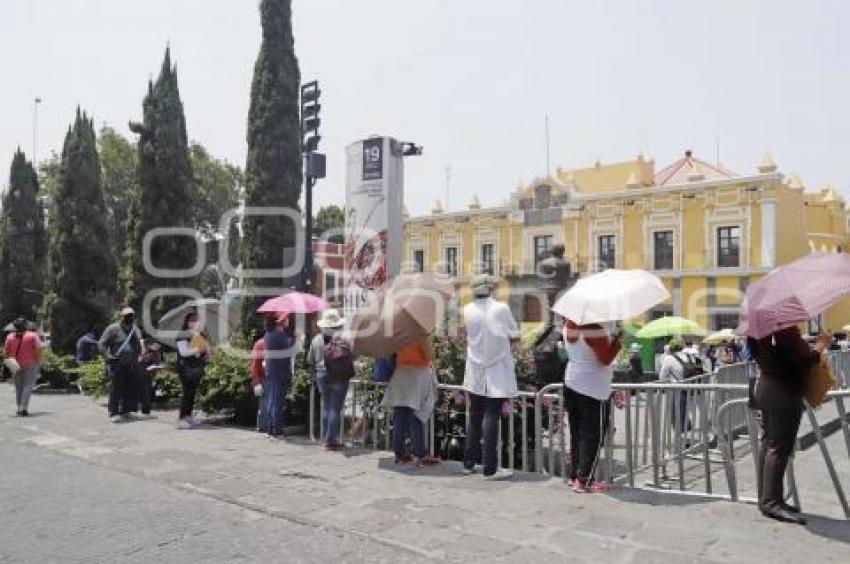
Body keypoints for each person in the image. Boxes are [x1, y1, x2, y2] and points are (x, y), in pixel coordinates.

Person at [748, 326, 829, 525]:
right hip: (783, 392)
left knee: (768, 444)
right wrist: (820, 346)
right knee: (777, 447)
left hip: (766, 387)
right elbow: (803, 361)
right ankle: (771, 502)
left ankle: (767, 499)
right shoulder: (783, 327)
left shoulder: (758, 328)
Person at [462, 274, 519, 480]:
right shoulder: (501, 308)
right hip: (497, 368)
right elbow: (514, 333)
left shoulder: (467, 310)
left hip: (476, 367)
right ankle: (490, 468)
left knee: (475, 415)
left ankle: (468, 463)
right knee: (491, 415)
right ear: (491, 288)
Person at [563, 318, 621, 493]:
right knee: (593, 434)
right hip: (592, 386)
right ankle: (585, 479)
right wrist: (617, 342)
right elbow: (605, 359)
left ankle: (575, 476)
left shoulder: (568, 325)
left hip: (571, 380)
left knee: (576, 433)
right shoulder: (594, 329)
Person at [383, 338, 441, 466]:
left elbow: (389, 355)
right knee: (416, 415)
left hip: (400, 374)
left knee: (399, 416)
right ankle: (419, 453)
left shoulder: (398, 334)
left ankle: (399, 453)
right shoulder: (419, 333)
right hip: (418, 375)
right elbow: (429, 355)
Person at [307, 309, 351, 450]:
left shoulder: (316, 339)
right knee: (335, 408)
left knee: (326, 407)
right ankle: (330, 440)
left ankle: (328, 438)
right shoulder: (343, 339)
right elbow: (352, 356)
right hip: (339, 375)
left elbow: (310, 360)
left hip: (321, 375)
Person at [99, 307, 144, 423]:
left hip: (132, 364)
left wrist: (139, 357)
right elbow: (101, 344)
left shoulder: (135, 330)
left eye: (131, 315)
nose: (130, 317)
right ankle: (113, 412)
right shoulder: (113, 329)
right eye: (127, 315)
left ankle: (127, 411)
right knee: (116, 389)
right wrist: (108, 356)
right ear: (122, 317)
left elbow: (139, 345)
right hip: (117, 363)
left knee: (130, 388)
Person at [175, 312, 210, 429]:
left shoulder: (200, 335)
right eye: (192, 320)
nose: (195, 322)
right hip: (185, 367)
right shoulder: (182, 334)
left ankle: (188, 416)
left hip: (197, 367)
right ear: (187, 322)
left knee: (192, 392)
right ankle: (181, 418)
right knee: (187, 392)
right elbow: (184, 352)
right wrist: (198, 349)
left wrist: (206, 351)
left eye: (197, 320)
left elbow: (204, 351)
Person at [262, 314, 294, 438]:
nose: (287, 320)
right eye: (285, 318)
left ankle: (270, 428)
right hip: (280, 372)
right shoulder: (279, 335)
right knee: (277, 402)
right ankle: (276, 429)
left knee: (272, 400)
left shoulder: (268, 334)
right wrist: (297, 338)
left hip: (272, 371)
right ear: (279, 321)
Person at [4, 317, 42, 416]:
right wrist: (38, 361)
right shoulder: (33, 335)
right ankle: (22, 408)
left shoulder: (9, 336)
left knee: (19, 387)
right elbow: (38, 350)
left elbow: (6, 352)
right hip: (30, 363)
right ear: (25, 326)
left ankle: (19, 407)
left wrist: (10, 362)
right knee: (28, 385)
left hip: (15, 364)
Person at [137, 340, 163, 419]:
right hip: (142, 375)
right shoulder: (145, 353)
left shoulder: (156, 354)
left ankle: (146, 412)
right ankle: (144, 411)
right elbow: (139, 361)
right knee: (145, 393)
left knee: (147, 393)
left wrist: (157, 367)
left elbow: (156, 364)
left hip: (148, 375)